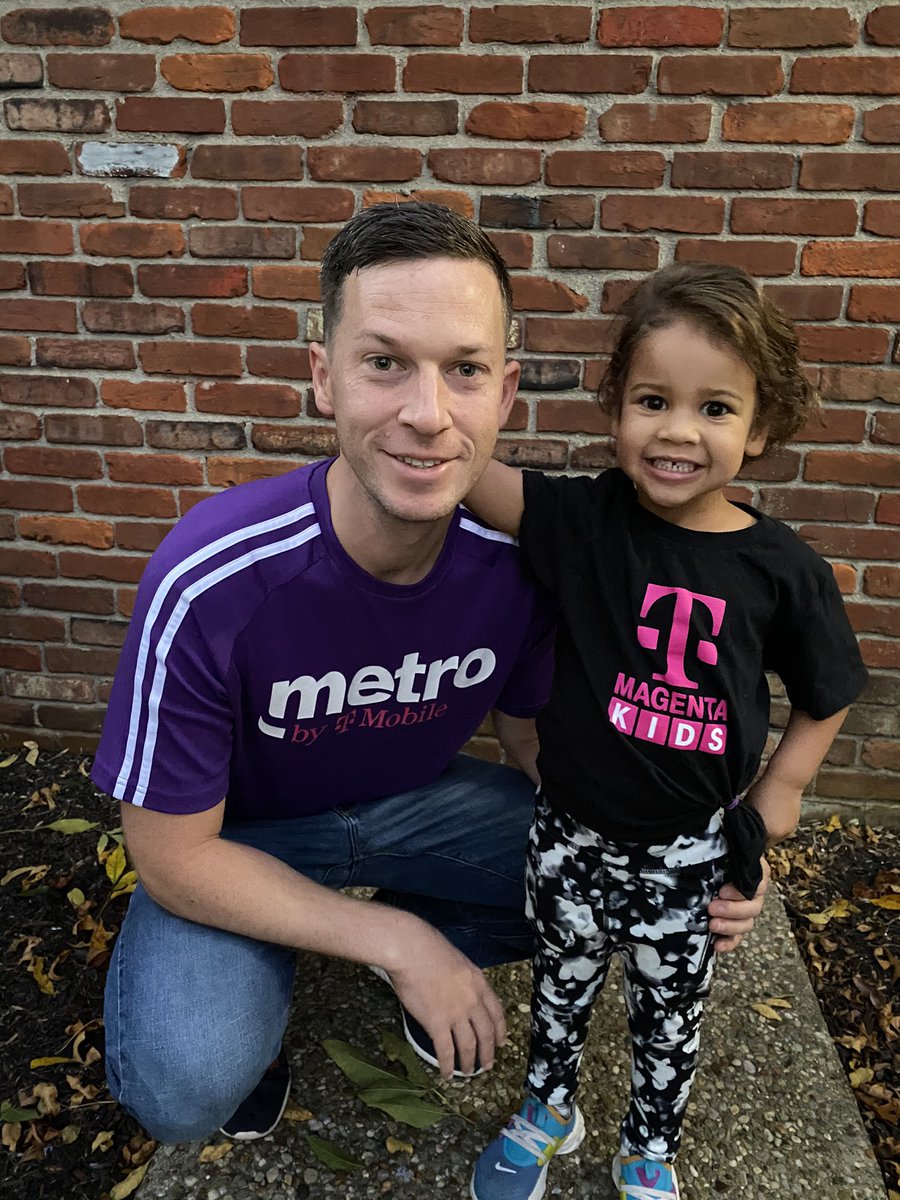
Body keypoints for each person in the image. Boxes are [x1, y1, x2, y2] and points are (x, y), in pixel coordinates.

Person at [91, 206, 767, 1146]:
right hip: (235, 836)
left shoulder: (527, 561)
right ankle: (311, 968)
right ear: (323, 377)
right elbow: (170, 855)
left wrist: (693, 852)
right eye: (384, 362)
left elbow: (542, 746)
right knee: (187, 1086)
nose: (428, 412)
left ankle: (413, 926)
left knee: (625, 889)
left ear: (507, 392)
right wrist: (398, 946)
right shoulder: (212, 576)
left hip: (418, 805)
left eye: (465, 369)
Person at [466, 263, 867, 1200]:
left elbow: (831, 690)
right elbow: (475, 480)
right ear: (616, 410)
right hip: (568, 830)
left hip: (689, 852)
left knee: (670, 1013)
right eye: (652, 400)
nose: (678, 430)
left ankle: (650, 1146)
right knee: (558, 986)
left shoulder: (783, 570)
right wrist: (429, 413)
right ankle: (547, 1108)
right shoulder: (583, 519)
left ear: (762, 428)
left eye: (716, 408)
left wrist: (780, 794)